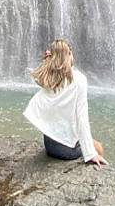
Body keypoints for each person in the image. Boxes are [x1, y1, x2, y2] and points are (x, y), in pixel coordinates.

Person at [23, 38, 107, 168]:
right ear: (69, 55)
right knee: (98, 146)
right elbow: (82, 118)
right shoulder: (79, 80)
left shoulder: (50, 78)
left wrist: (45, 61)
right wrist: (90, 154)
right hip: (66, 151)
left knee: (86, 141)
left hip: (50, 145)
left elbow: (39, 76)